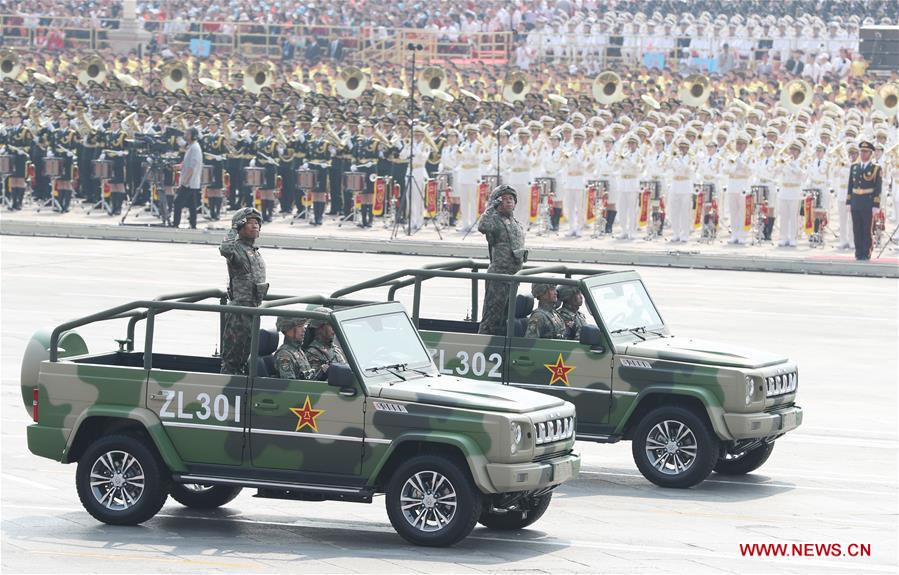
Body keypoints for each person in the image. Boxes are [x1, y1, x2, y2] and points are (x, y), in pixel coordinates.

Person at [220, 208, 268, 374]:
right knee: (233, 357)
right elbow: (225, 249)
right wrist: (234, 229)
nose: (255, 226)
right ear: (240, 227)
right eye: (249, 223)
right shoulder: (237, 248)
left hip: (253, 310)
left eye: (257, 223)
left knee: (246, 355)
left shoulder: (254, 251)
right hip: (239, 313)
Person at [477, 186, 527, 335]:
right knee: (492, 316)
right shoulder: (495, 220)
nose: (509, 202)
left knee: (505, 316)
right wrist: (491, 207)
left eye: (511, 199)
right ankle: (483, 341)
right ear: (497, 203)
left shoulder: (515, 223)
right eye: (504, 199)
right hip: (498, 277)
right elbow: (482, 226)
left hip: (513, 276)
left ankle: (499, 340)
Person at [846, 141, 882, 261]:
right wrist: (848, 202)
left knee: (866, 229)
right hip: (856, 201)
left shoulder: (876, 168)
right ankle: (858, 252)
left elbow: (878, 188)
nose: (862, 154)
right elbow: (850, 186)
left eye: (865, 152)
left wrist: (876, 204)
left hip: (868, 202)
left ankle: (866, 252)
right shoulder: (854, 167)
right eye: (861, 151)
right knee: (856, 228)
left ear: (871, 154)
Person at [174, 127, 202, 229]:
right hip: (190, 181)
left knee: (177, 202)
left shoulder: (195, 148)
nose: (185, 135)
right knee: (192, 205)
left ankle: (175, 223)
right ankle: (193, 224)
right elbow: (187, 162)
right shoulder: (191, 147)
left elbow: (192, 166)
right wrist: (180, 166)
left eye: (188, 134)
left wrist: (185, 180)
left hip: (189, 182)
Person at [305, 307, 346, 374]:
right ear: (319, 328)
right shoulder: (313, 353)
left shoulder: (335, 349)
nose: (334, 329)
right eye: (331, 325)